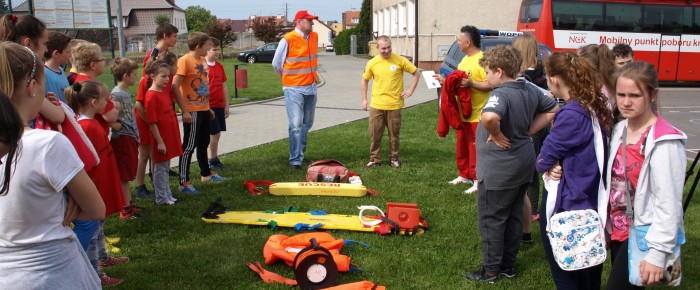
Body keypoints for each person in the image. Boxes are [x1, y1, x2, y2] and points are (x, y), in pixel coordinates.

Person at [0, 41, 104, 289]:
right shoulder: (47, 144)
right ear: (33, 86)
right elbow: (95, 210)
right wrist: (70, 197)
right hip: (52, 272)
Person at [465, 45, 558, 283]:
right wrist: (528, 131)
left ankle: (491, 270)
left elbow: (489, 117)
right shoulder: (527, 87)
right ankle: (508, 265)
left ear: (499, 71)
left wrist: (495, 134)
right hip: (522, 163)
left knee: (492, 219)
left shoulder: (500, 93)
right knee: (514, 215)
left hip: (500, 170)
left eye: (487, 72)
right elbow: (553, 107)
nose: (485, 77)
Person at [603, 62, 686, 289]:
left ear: (652, 94)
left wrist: (657, 253)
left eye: (635, 95)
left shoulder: (665, 142)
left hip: (646, 235)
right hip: (620, 232)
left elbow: (668, 203)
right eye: (621, 94)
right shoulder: (620, 128)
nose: (626, 102)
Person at [536, 52, 614, 290]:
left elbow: (542, 161)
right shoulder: (592, 105)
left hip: (569, 205)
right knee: (589, 274)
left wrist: (551, 164)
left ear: (554, 80)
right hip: (591, 199)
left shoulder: (570, 114)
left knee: (567, 274)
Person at [65, 81, 129, 286]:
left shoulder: (91, 123)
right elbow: (85, 166)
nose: (109, 103)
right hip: (96, 187)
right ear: (94, 102)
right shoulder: (87, 127)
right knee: (91, 232)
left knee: (99, 228)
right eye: (106, 100)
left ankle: (102, 259)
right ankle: (94, 273)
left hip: (101, 185)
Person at [434, 25, 492, 194]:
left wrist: (471, 83)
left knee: (475, 148)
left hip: (477, 114)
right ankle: (464, 174)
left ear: (468, 42)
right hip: (462, 114)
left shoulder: (483, 60)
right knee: (462, 146)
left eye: (459, 40)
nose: (457, 43)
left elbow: (491, 84)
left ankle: (477, 179)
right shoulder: (464, 60)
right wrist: (445, 81)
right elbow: (458, 82)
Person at [173, 31, 225, 194]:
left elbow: (203, 87)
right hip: (192, 111)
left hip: (203, 109)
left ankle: (206, 174)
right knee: (189, 146)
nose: (209, 49)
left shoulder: (202, 60)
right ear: (198, 47)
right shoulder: (184, 61)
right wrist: (185, 110)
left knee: (204, 143)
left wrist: (207, 107)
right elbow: (175, 86)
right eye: (207, 46)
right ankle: (184, 182)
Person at [360, 35, 420, 168]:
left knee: (394, 135)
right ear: (377, 48)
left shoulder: (400, 60)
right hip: (376, 104)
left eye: (389, 47)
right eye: (383, 48)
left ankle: (394, 158)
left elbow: (416, 73)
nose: (386, 51)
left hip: (394, 105)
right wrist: (364, 99)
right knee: (375, 134)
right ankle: (375, 159)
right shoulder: (372, 63)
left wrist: (410, 91)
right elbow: (364, 80)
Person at [512, 34, 549, 242]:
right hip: (541, 124)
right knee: (534, 168)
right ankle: (532, 208)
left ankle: (532, 210)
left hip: (532, 125)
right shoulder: (541, 70)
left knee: (530, 172)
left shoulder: (526, 76)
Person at [272, 10, 320, 170]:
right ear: (299, 21)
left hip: (311, 87)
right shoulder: (288, 39)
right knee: (296, 125)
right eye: (309, 20)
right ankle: (295, 160)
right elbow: (276, 63)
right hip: (294, 89)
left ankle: (300, 154)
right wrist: (288, 80)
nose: (312, 23)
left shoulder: (314, 37)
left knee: (307, 123)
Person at [0, 14, 64, 126]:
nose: (46, 49)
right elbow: (58, 116)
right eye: (44, 44)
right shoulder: (28, 75)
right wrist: (57, 107)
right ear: (28, 43)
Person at [145, 60, 183, 205]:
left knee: (166, 167)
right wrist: (160, 141)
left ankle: (167, 195)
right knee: (160, 168)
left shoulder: (162, 92)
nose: (167, 79)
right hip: (161, 139)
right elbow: (152, 122)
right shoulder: (151, 96)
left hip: (169, 136)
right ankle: (161, 198)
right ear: (153, 76)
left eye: (168, 76)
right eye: (163, 76)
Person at [109, 57, 142, 219]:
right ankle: (124, 209)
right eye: (135, 74)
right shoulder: (116, 95)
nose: (137, 76)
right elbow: (107, 113)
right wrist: (115, 125)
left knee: (128, 174)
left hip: (130, 137)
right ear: (126, 76)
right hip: (122, 139)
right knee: (123, 175)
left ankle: (129, 204)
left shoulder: (125, 93)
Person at [70, 41, 119, 134]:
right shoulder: (94, 87)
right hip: (96, 135)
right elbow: (112, 116)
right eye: (102, 59)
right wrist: (117, 105)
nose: (104, 62)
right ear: (93, 65)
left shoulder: (79, 80)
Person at [206, 37, 230, 171]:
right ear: (206, 50)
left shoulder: (219, 66)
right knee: (214, 133)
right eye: (214, 49)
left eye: (218, 49)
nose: (217, 52)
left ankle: (213, 157)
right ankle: (212, 159)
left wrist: (227, 105)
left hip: (219, 105)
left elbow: (223, 86)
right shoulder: (203, 66)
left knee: (217, 133)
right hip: (209, 106)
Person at [44, 31, 72, 103]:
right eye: (68, 52)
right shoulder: (44, 73)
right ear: (56, 53)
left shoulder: (60, 70)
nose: (70, 55)